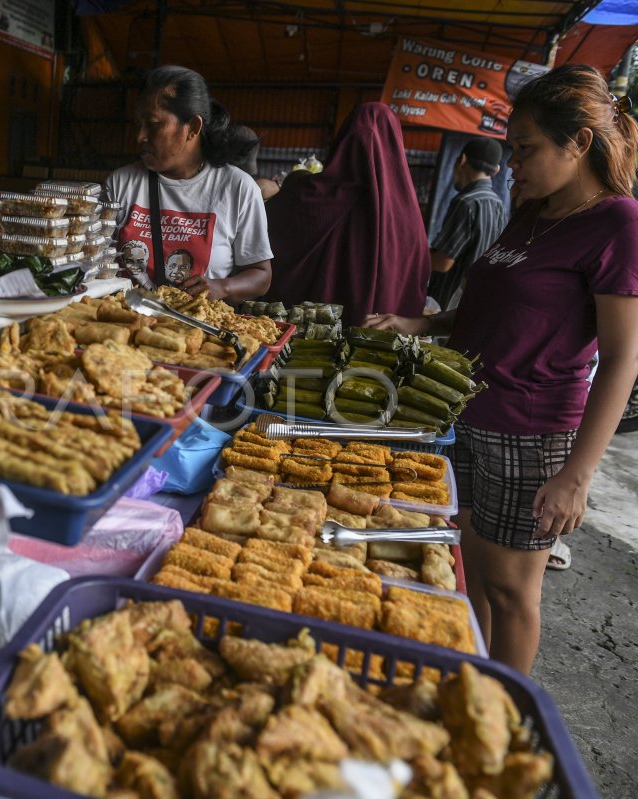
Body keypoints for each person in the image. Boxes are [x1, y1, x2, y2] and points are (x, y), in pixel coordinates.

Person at [365, 65, 638, 674]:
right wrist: (423, 324)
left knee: (512, 591)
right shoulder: (531, 212)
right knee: (473, 574)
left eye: (527, 149)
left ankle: (505, 717)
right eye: (512, 148)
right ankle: (474, 680)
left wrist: (577, 474)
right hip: (470, 417)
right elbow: (495, 308)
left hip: (532, 432)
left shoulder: (617, 222)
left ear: (580, 144)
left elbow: (623, 359)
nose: (514, 162)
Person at [105, 65, 272, 301]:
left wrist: (223, 287)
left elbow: (261, 275)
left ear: (193, 127)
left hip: (197, 330)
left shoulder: (238, 188)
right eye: (138, 124)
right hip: (129, 325)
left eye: (153, 125)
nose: (140, 136)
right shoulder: (121, 184)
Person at [263, 102, 430, 324]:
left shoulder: (313, 196)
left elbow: (282, 224)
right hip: (374, 343)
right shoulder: (409, 214)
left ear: (345, 140)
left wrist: (295, 180)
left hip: (311, 338)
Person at [427, 137, 506, 310]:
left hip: (444, 304)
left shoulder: (465, 202)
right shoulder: (499, 204)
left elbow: (442, 263)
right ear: (497, 170)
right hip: (475, 301)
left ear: (462, 159)